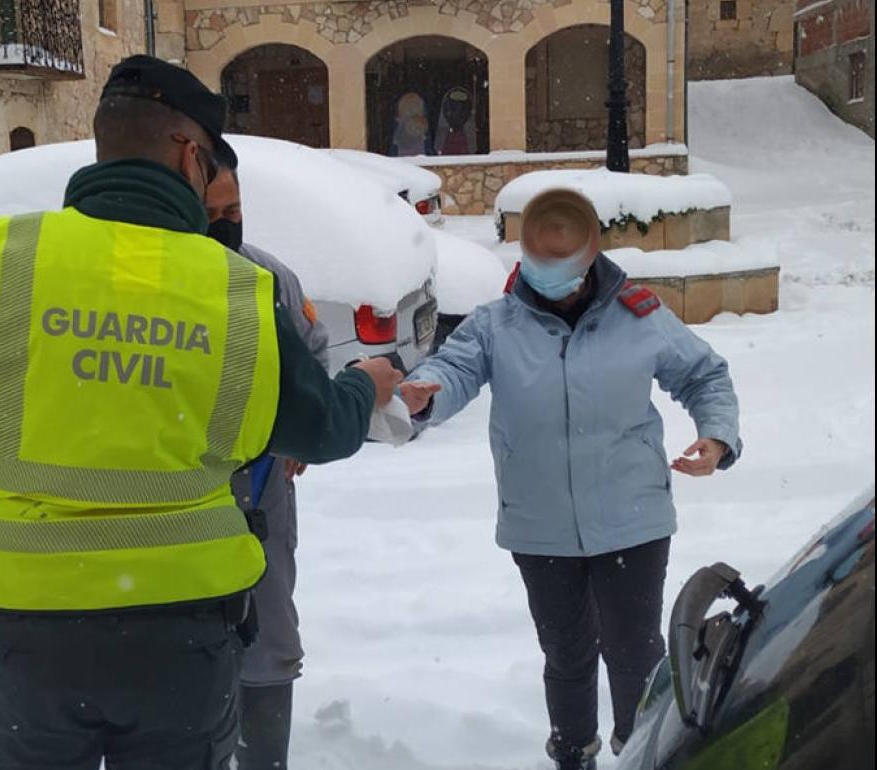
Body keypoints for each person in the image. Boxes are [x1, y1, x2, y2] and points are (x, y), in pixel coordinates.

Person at [0, 55, 403, 770]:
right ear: (189, 152)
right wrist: (368, 382)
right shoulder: (237, 290)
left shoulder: (1, 259)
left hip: (28, 638)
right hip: (185, 639)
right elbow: (324, 429)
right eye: (210, 160)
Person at [399, 188, 742, 770]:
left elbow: (705, 373)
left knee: (636, 655)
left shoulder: (639, 315)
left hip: (633, 520)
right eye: (537, 263)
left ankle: (641, 752)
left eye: (560, 267)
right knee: (566, 655)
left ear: (588, 263)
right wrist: (424, 392)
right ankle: (573, 753)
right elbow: (452, 370)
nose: (546, 276)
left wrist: (718, 435)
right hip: (540, 525)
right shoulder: (495, 324)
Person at [205, 159, 326, 770]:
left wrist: (299, 435)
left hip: (263, 494)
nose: (226, 226)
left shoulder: (269, 277)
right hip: (177, 499)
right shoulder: (147, 284)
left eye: (234, 213)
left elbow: (314, 354)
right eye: (211, 215)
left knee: (270, 632)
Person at [433, 87, 477, 156]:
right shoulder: (442, 136)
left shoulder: (469, 137)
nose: (457, 113)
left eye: (462, 110)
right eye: (453, 108)